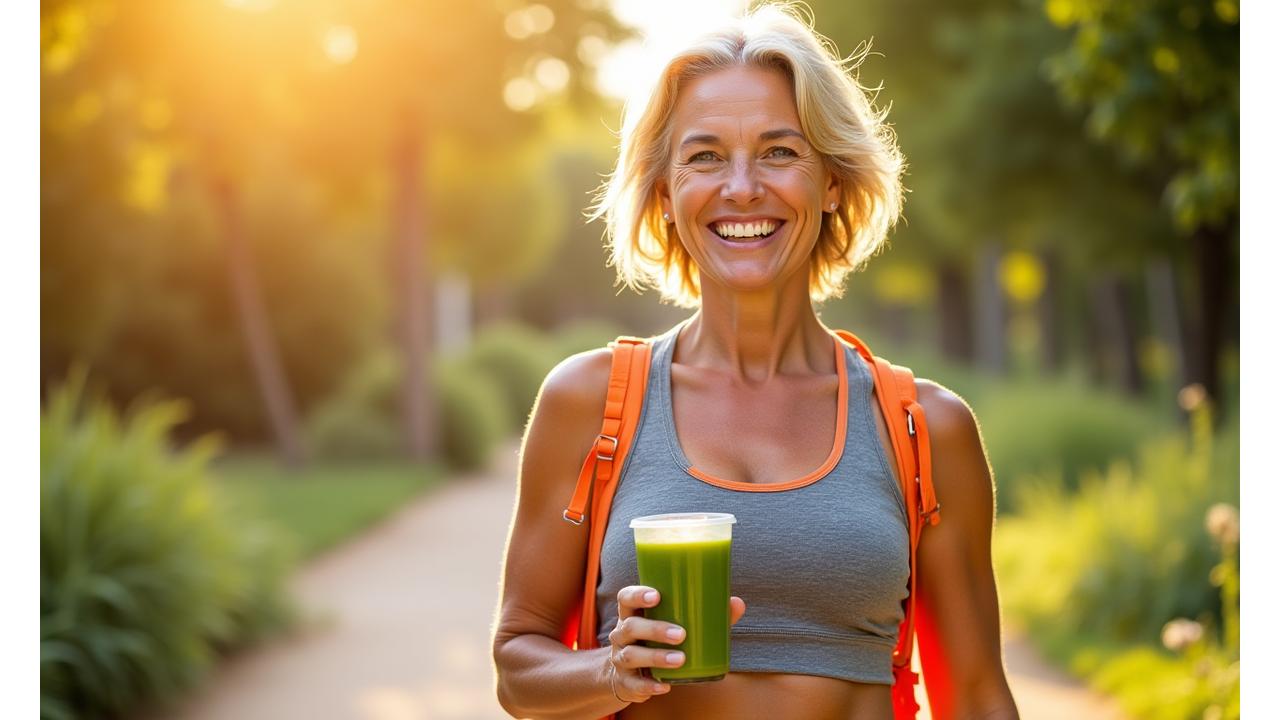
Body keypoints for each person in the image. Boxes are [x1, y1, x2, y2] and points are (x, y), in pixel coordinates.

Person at [491, 4, 1018, 718]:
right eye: (705, 156)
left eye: (779, 152)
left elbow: (979, 697)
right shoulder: (589, 404)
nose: (742, 187)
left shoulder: (925, 427)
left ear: (831, 183)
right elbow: (518, 666)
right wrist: (612, 670)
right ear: (666, 194)